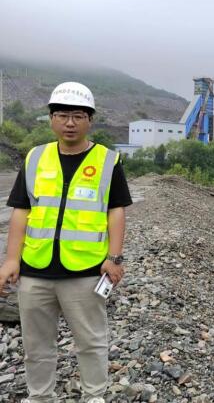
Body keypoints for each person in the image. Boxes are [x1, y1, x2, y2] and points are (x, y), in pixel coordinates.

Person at [0, 82, 132, 403]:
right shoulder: (35, 158)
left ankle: (94, 396)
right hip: (35, 269)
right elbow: (21, 211)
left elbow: (116, 211)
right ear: (51, 119)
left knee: (91, 341)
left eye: (78, 116)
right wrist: (11, 260)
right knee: (36, 345)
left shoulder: (107, 161)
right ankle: (40, 397)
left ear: (90, 120)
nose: (69, 123)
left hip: (85, 270)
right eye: (62, 115)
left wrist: (114, 258)